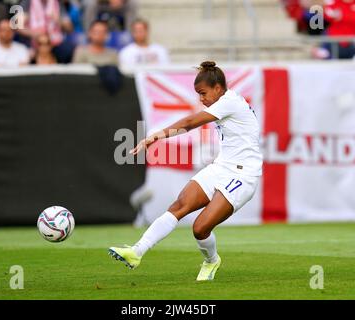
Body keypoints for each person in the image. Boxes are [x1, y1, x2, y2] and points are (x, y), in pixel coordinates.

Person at [109, 61, 263, 281]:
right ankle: (136, 252)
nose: (201, 99)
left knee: (200, 228)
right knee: (179, 205)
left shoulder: (230, 102)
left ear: (218, 88)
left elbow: (191, 122)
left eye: (203, 93)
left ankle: (212, 261)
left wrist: (155, 136)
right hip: (221, 167)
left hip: (243, 176)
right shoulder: (226, 102)